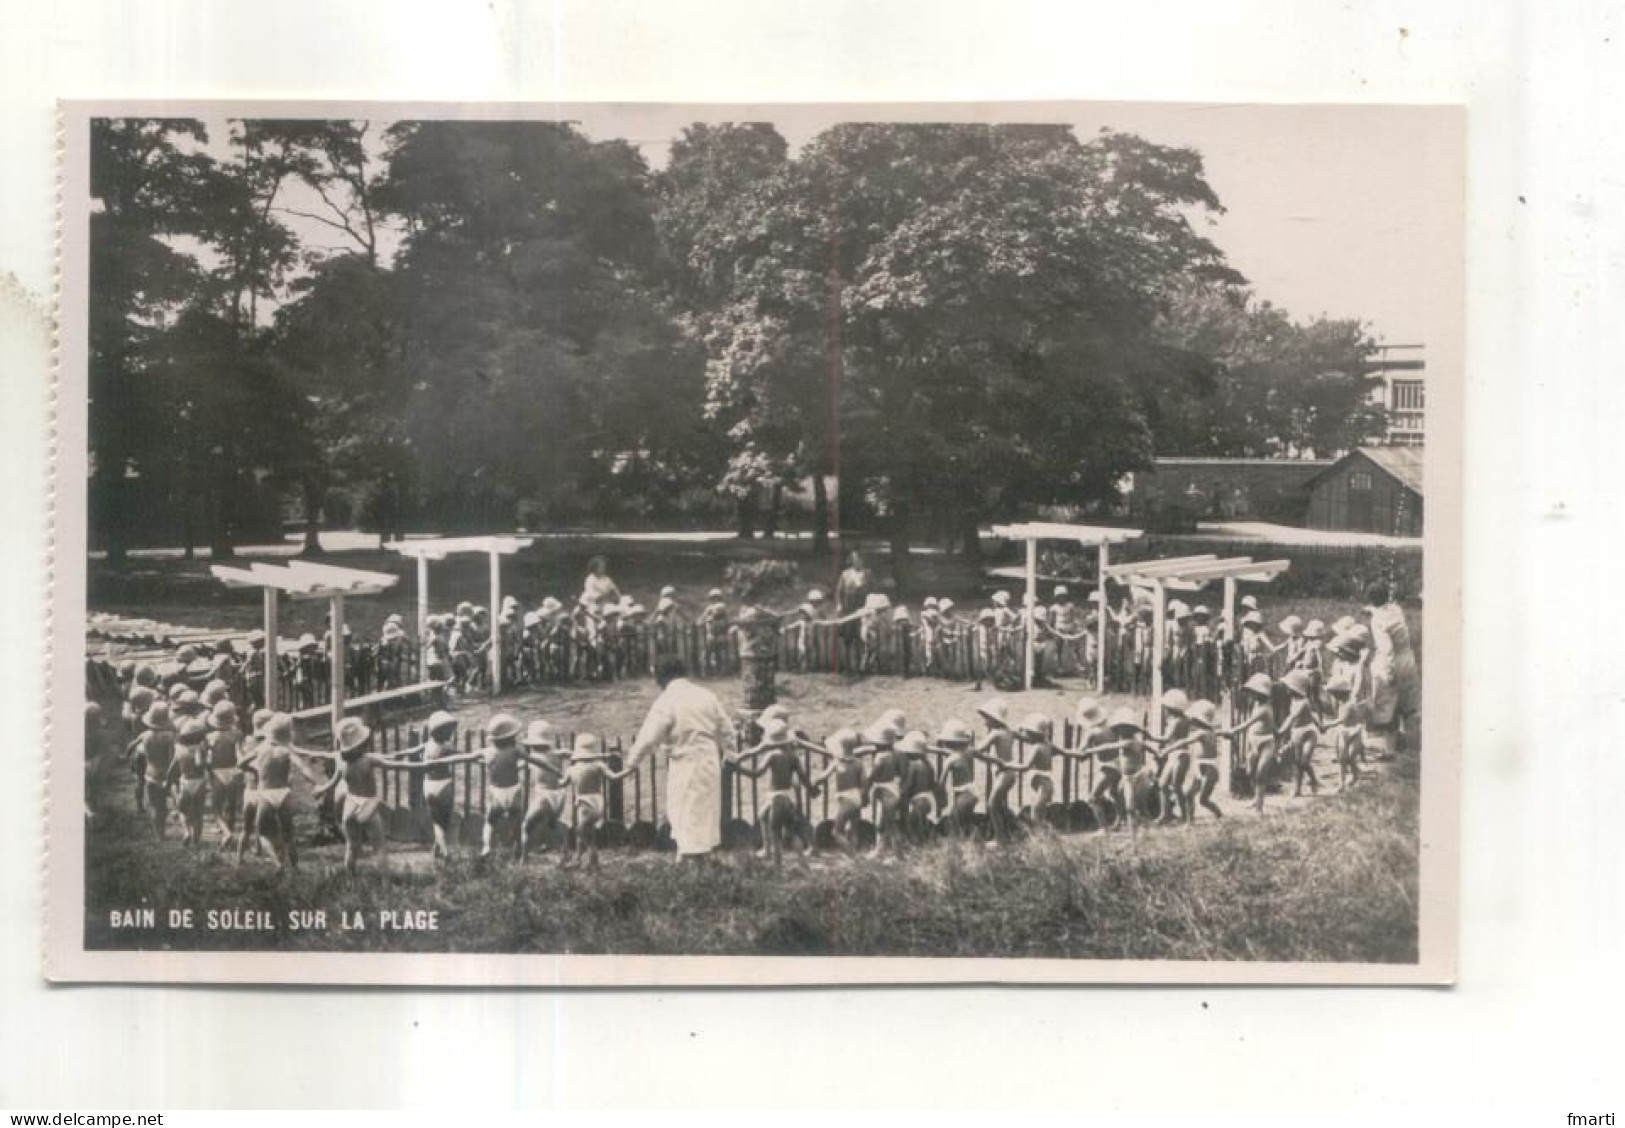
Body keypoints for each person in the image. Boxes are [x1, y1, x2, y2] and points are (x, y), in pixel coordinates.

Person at [622, 659, 734, 861]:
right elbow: (726, 729)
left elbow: (648, 737)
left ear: (662, 677)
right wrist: (731, 755)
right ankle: (691, 859)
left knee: (686, 811)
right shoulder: (706, 695)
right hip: (709, 760)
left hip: (686, 762)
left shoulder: (667, 700)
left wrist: (632, 762)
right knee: (702, 812)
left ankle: (693, 865)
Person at [730, 717, 815, 863]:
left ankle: (777, 863)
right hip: (787, 796)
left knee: (775, 830)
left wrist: (739, 769)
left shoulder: (772, 756)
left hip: (776, 798)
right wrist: (812, 789)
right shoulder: (793, 757)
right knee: (766, 817)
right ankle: (799, 859)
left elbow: (757, 773)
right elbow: (802, 777)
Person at [1365, 582, 1422, 754]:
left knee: (1388, 704)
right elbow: (1386, 610)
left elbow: (1386, 648)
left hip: (1391, 661)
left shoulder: (1377, 621)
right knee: (1405, 702)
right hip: (1406, 658)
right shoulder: (1396, 611)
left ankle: (1389, 750)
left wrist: (1388, 672)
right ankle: (1407, 740)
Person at [517, 719, 569, 862]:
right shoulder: (558, 754)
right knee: (553, 823)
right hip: (559, 795)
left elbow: (516, 765)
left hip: (544, 796)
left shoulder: (532, 758)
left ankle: (523, 858)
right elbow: (574, 755)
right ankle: (564, 852)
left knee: (526, 825)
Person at [808, 727, 867, 852]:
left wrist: (814, 784)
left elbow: (823, 777)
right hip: (857, 796)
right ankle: (855, 849)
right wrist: (864, 798)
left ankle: (853, 855)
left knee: (836, 831)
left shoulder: (837, 762)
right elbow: (864, 783)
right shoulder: (859, 763)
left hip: (846, 799)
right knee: (853, 828)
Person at [166, 718, 211, 847]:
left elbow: (172, 769)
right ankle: (197, 840)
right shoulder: (200, 749)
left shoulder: (179, 750)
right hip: (199, 782)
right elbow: (200, 765)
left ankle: (186, 832)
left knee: (183, 811)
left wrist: (168, 782)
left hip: (185, 781)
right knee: (198, 813)